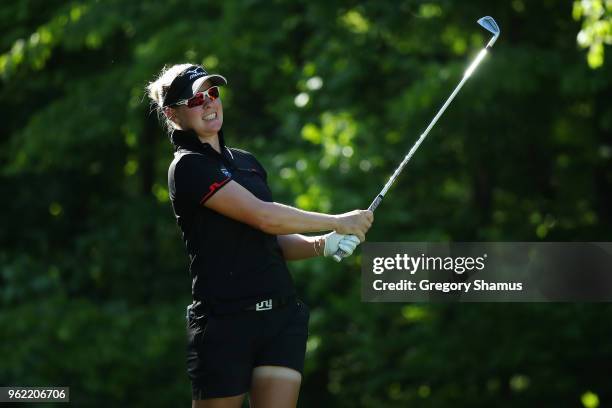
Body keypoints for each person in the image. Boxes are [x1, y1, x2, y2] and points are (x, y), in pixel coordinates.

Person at [146, 63, 373, 408]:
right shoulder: (188, 166)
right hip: (225, 323)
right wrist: (339, 221)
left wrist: (322, 244)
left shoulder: (247, 163)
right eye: (195, 101)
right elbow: (265, 217)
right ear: (172, 114)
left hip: (279, 317)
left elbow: (269, 240)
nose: (209, 104)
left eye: (212, 93)